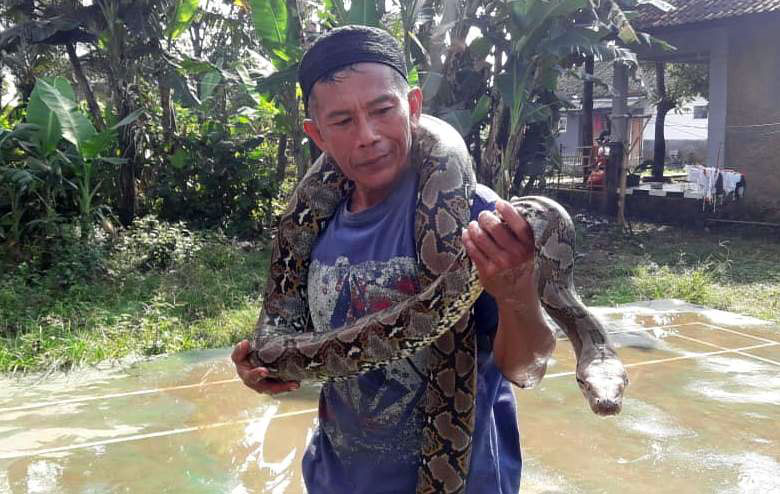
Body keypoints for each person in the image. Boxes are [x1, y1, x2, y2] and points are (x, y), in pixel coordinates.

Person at [231, 25, 556, 493]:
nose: (367, 136)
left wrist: (518, 291)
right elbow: (289, 337)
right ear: (315, 135)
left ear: (415, 107)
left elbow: (528, 370)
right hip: (335, 479)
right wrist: (267, 364)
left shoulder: (481, 222)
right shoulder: (310, 228)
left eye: (383, 109)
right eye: (341, 122)